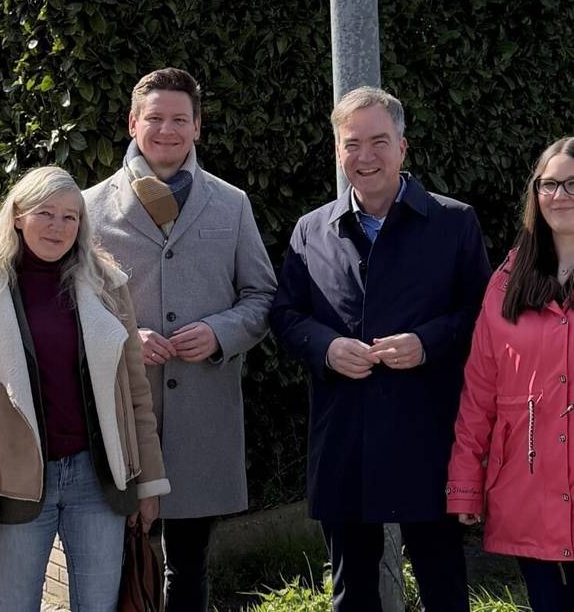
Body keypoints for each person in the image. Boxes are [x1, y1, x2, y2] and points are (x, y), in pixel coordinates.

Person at [270, 86, 492, 612]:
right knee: (352, 587)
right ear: (336, 151)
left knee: (442, 578)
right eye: (352, 144)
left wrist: (427, 343)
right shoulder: (310, 229)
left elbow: (482, 316)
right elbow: (284, 315)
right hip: (344, 432)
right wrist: (325, 347)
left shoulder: (454, 221)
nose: (365, 157)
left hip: (428, 429)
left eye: (379, 142)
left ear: (403, 147)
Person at [83, 68, 277, 612]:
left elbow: (263, 296)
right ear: (132, 123)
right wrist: (123, 338)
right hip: (120, 416)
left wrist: (220, 332)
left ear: (197, 127)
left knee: (188, 569)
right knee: (115, 566)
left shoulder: (231, 204)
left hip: (202, 420)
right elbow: (67, 306)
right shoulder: (88, 208)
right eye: (155, 119)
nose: (166, 130)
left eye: (179, 119)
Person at [0, 166, 170, 612]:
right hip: (15, 486)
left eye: (70, 217)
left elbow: (134, 392)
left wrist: (148, 482)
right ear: (18, 215)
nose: (58, 227)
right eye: (46, 213)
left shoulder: (107, 287)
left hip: (96, 481)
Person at [448, 137, 574, 610]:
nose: (559, 196)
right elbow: (479, 392)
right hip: (528, 493)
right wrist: (464, 486)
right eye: (549, 184)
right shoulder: (507, 281)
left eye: (572, 184)